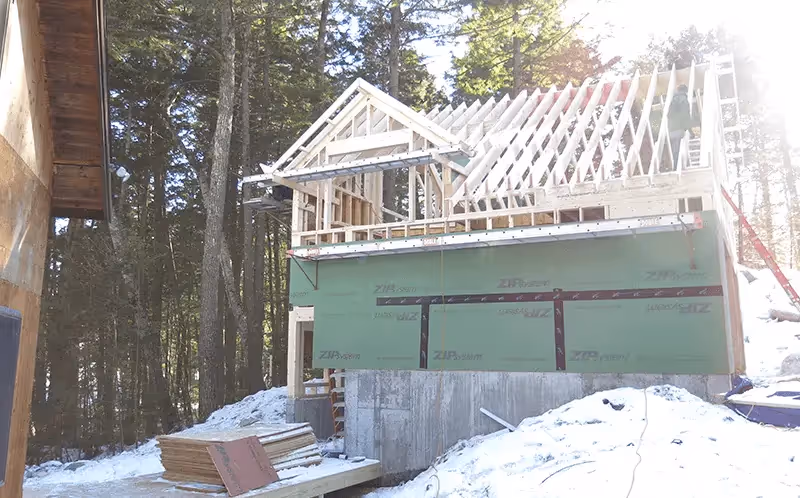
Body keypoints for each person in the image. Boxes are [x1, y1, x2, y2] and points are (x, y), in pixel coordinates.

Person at [668, 84, 693, 170]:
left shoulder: (673, 100)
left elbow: (668, 115)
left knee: (675, 150)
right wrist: (690, 131)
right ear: (685, 91)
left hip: (671, 129)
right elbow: (685, 116)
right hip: (679, 128)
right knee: (679, 149)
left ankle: (676, 167)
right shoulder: (684, 100)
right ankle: (677, 168)